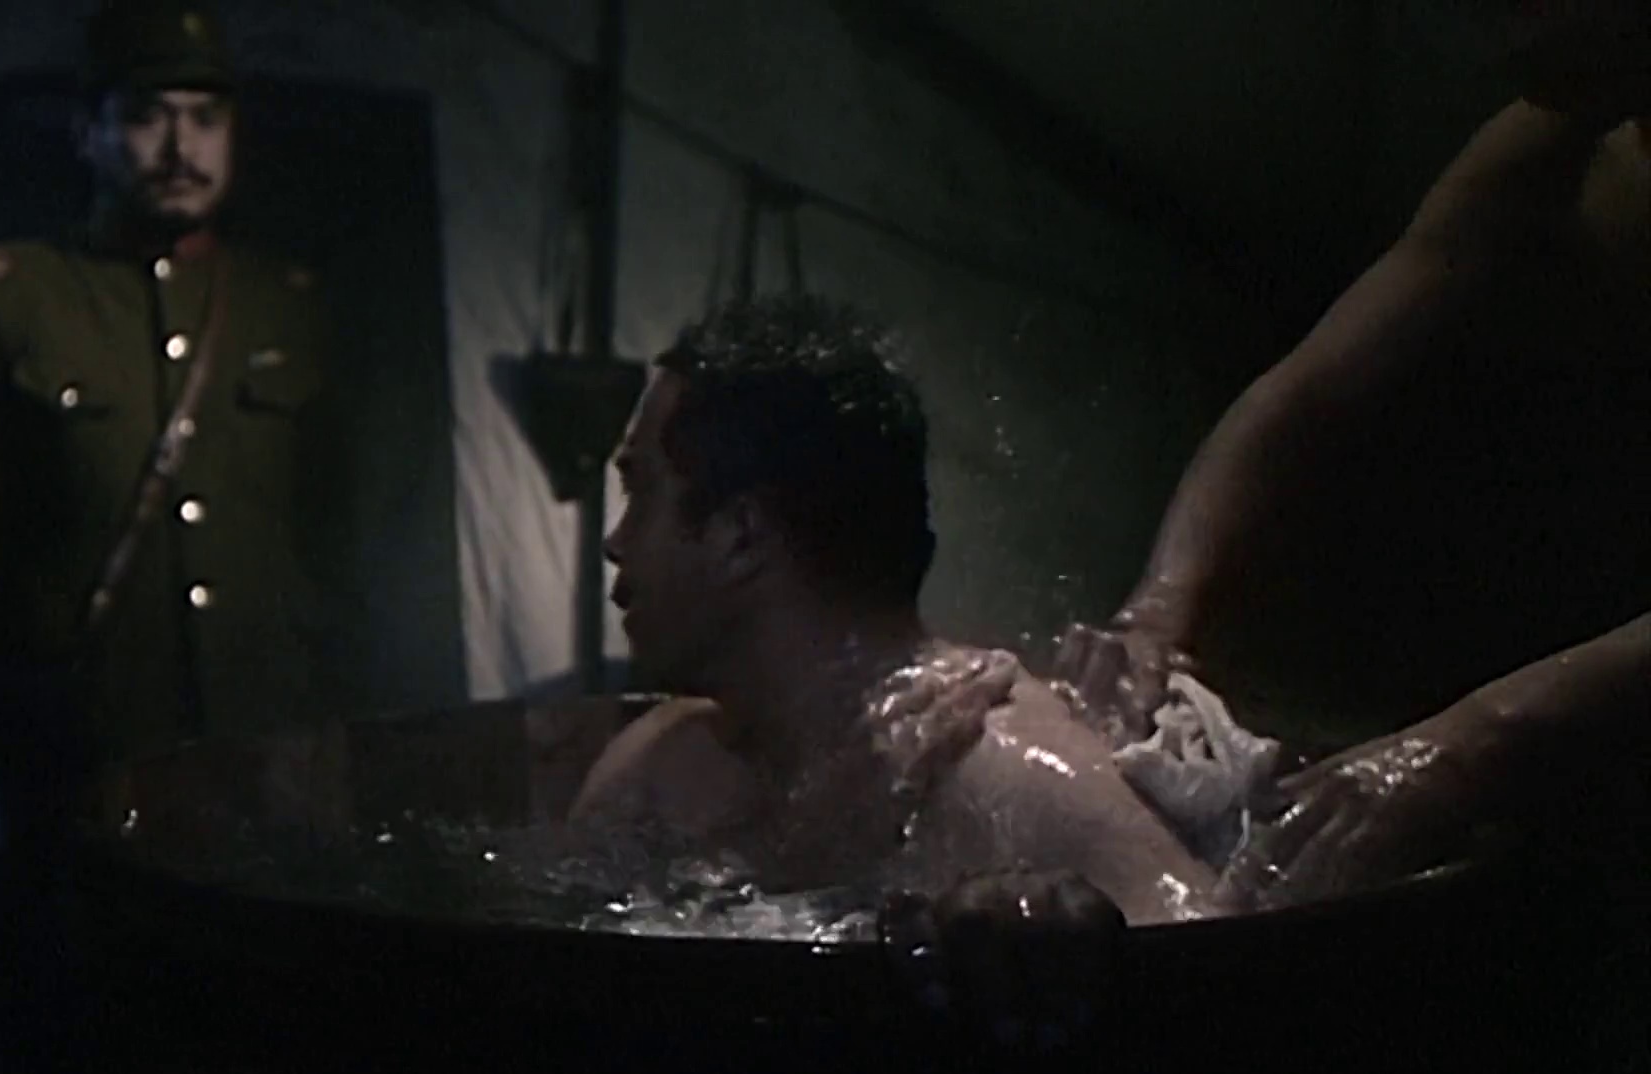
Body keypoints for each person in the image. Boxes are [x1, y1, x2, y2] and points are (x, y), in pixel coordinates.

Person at [1056, 8, 1649, 910]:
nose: (1496, 36)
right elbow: (1307, 394)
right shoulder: (1553, 140)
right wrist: (1161, 605)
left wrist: (1469, 742)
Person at [0, 1, 358, 1070]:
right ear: (89, 132)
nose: (181, 145)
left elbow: (335, 547)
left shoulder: (287, 303)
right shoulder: (11, 294)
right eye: (148, 115)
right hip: (79, 758)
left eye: (206, 116)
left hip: (257, 758)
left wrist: (337, 738)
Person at [566, 293, 1233, 928]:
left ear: (741, 535)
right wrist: (800, 858)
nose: (614, 541)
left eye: (640, 491)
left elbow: (1209, 965)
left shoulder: (1005, 773)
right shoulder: (657, 771)